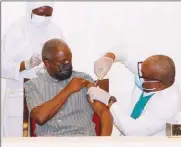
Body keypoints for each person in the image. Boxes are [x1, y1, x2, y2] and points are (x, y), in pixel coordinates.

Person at [24, 39, 113, 136]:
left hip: (82, 141)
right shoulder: (33, 86)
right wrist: (68, 90)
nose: (67, 66)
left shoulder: (84, 80)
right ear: (47, 64)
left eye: (69, 60)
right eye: (61, 63)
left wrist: (103, 143)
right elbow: (40, 117)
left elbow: (104, 113)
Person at [1, 2, 64, 137]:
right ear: (30, 9)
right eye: (40, 13)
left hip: (47, 99)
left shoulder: (55, 31)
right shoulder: (16, 30)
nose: (44, 17)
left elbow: (64, 63)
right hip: (19, 98)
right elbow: (2, 66)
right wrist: (26, 64)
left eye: (48, 14)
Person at [87, 49, 181, 136]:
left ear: (158, 85)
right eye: (140, 71)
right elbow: (126, 55)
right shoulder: (152, 69)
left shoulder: (167, 106)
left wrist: (109, 100)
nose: (139, 75)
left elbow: (133, 131)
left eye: (143, 76)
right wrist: (109, 57)